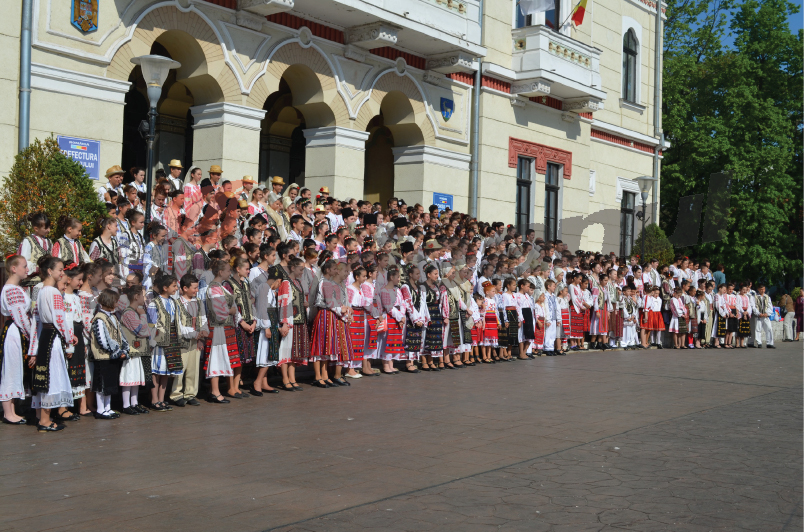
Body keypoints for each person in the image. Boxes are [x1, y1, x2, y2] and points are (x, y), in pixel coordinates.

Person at [29, 256, 76, 432]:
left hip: (45, 336)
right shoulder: (54, 293)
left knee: (47, 375)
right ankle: (45, 420)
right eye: (60, 270)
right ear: (50, 271)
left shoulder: (41, 291)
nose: (62, 273)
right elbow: (59, 318)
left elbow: (38, 319)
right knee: (52, 377)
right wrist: (69, 338)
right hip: (53, 337)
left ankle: (43, 417)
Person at [0, 256, 32, 424]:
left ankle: (11, 410)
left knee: (15, 368)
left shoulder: (16, 288)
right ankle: (8, 412)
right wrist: (30, 335)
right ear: (14, 268)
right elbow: (20, 315)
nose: (27, 269)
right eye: (24, 266)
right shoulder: (11, 290)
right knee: (11, 369)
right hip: (15, 331)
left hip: (17, 330)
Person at [147, 273, 185, 412]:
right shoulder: (154, 303)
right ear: (165, 287)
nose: (176, 288)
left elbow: (177, 321)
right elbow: (151, 325)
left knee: (166, 372)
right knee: (156, 371)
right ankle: (154, 400)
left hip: (172, 340)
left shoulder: (174, 302)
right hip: (159, 341)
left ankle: (161, 399)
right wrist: (152, 342)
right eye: (173, 286)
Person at [119, 284, 152, 415]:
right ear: (136, 296)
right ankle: (126, 405)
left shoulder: (134, 312)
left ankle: (134, 403)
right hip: (131, 351)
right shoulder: (128, 313)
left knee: (136, 378)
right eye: (143, 295)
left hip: (137, 351)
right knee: (128, 377)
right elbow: (142, 330)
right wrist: (143, 315)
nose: (144, 298)